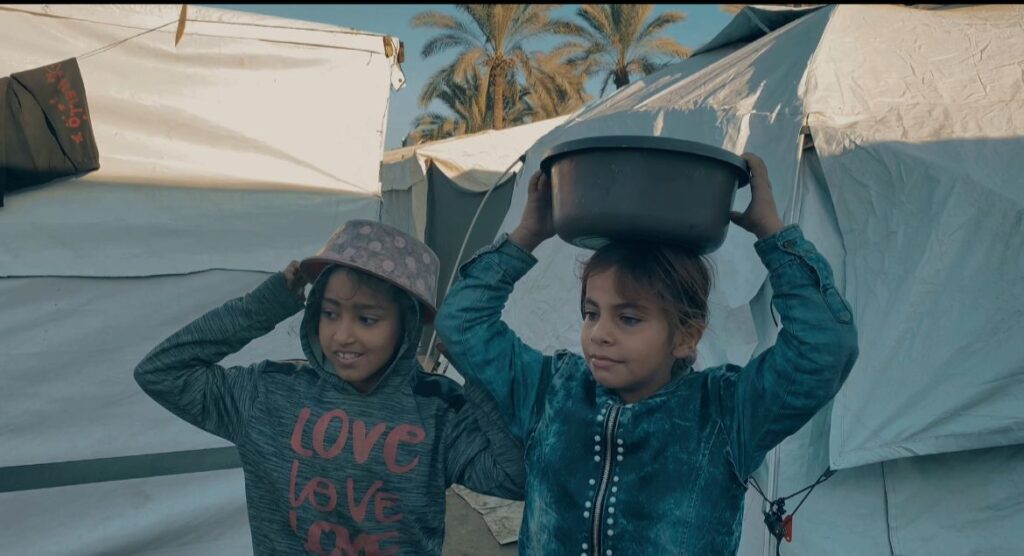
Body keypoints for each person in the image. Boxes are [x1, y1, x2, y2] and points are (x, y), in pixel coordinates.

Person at [434, 153, 859, 555]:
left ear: (685, 337)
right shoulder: (551, 391)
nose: (600, 334)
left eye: (629, 319)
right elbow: (461, 324)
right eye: (591, 313)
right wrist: (528, 234)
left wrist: (771, 233)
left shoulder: (726, 414)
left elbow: (823, 347)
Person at [135, 220, 525, 556]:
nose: (342, 336)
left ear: (405, 326)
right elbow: (161, 372)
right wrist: (265, 304)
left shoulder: (439, 410)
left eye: (367, 319)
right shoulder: (268, 394)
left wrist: (478, 378)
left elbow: (516, 477)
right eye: (330, 313)